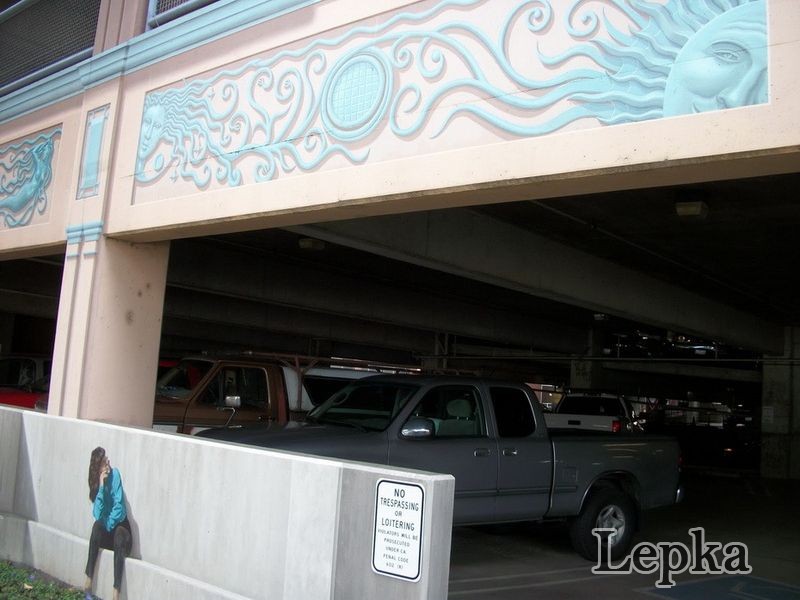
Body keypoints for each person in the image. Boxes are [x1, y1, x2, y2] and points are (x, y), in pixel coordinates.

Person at [84, 447, 132, 600]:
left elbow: (119, 507)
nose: (108, 463)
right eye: (104, 462)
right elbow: (97, 514)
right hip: (107, 531)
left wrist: (109, 525)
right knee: (96, 527)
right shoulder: (98, 483)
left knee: (118, 534)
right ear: (98, 468)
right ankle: (88, 580)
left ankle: (116, 592)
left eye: (107, 459)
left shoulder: (115, 474)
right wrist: (101, 486)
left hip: (121, 530)